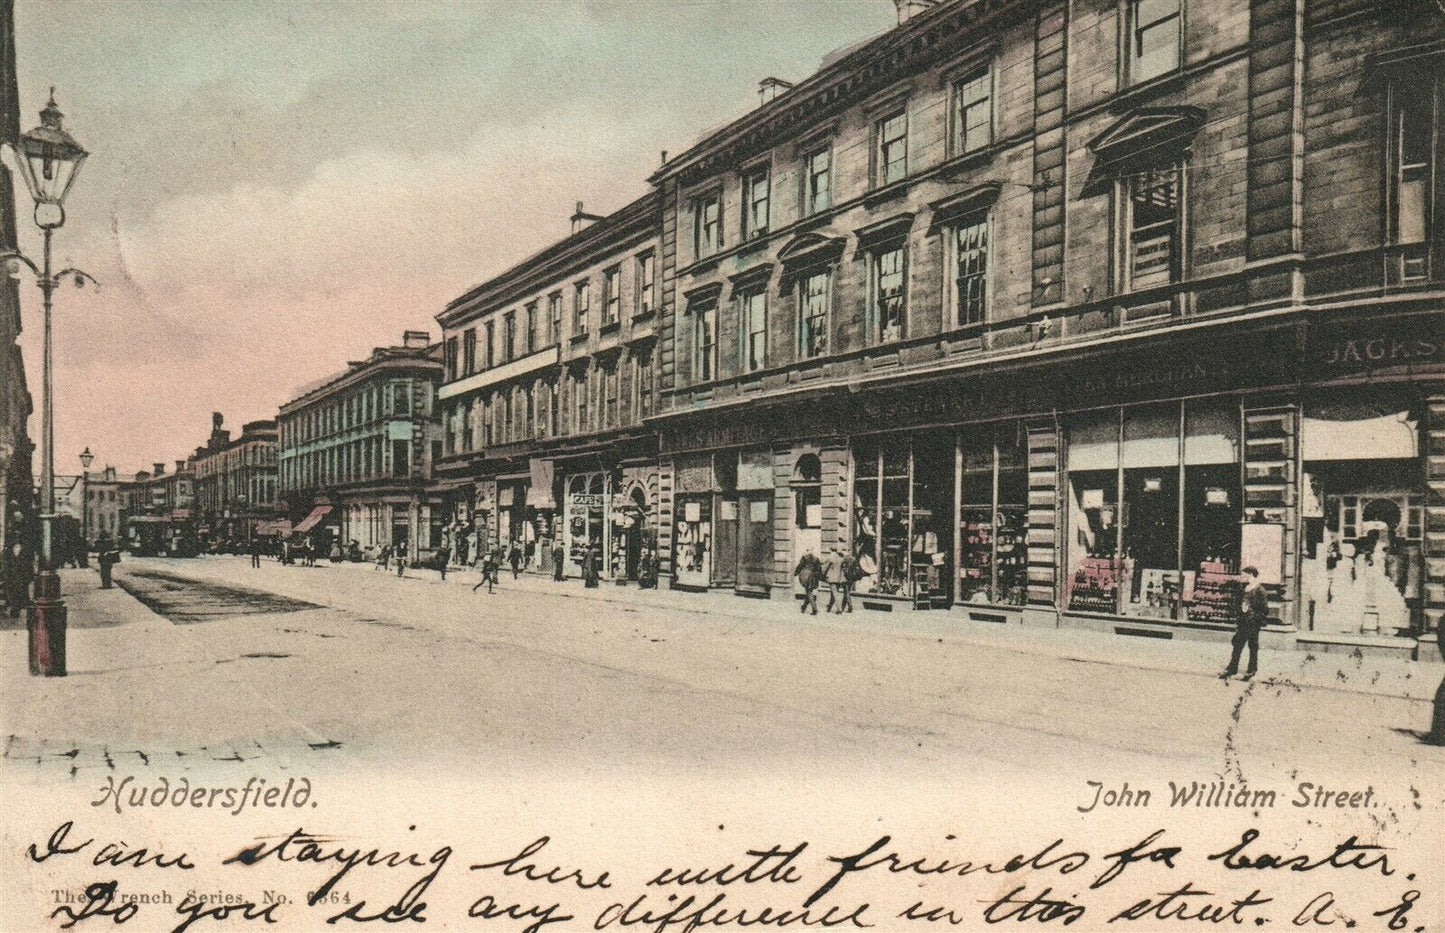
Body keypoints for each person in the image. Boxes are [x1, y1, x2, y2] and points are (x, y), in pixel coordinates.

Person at [1221, 566, 1270, 680]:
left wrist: (1255, 618)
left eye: (1245, 575)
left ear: (1251, 575)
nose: (1243, 578)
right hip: (1243, 622)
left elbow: (1264, 609)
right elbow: (1238, 603)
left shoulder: (1260, 590)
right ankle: (1232, 669)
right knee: (1237, 645)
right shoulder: (1244, 588)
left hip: (1253, 623)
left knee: (1253, 646)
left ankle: (1251, 670)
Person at [794, 548, 822, 615]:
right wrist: (819, 577)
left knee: (809, 592)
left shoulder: (804, 558)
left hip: (805, 576)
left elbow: (800, 566)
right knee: (809, 591)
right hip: (813, 577)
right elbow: (818, 569)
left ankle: (814, 609)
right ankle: (803, 607)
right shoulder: (816, 559)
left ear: (807, 551)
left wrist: (796, 573)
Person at [822, 546, 847, 613]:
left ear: (831, 550)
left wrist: (822, 575)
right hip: (839, 578)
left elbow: (824, 568)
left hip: (832, 578)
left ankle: (839, 608)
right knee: (833, 593)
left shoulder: (830, 558)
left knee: (835, 593)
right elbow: (844, 568)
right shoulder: (841, 558)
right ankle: (829, 607)